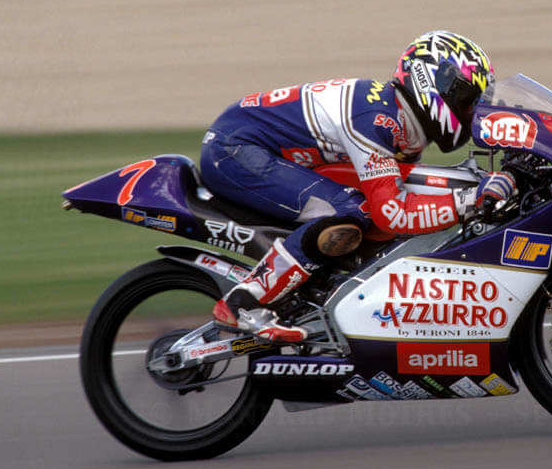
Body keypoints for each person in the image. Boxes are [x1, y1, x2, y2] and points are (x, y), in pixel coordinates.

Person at [200, 30, 517, 343]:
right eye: (466, 101)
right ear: (430, 83)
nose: (471, 113)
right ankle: (243, 302)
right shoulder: (378, 119)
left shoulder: (405, 124)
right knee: (349, 212)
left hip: (257, 146)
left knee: (367, 218)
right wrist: (469, 200)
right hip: (234, 148)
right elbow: (393, 214)